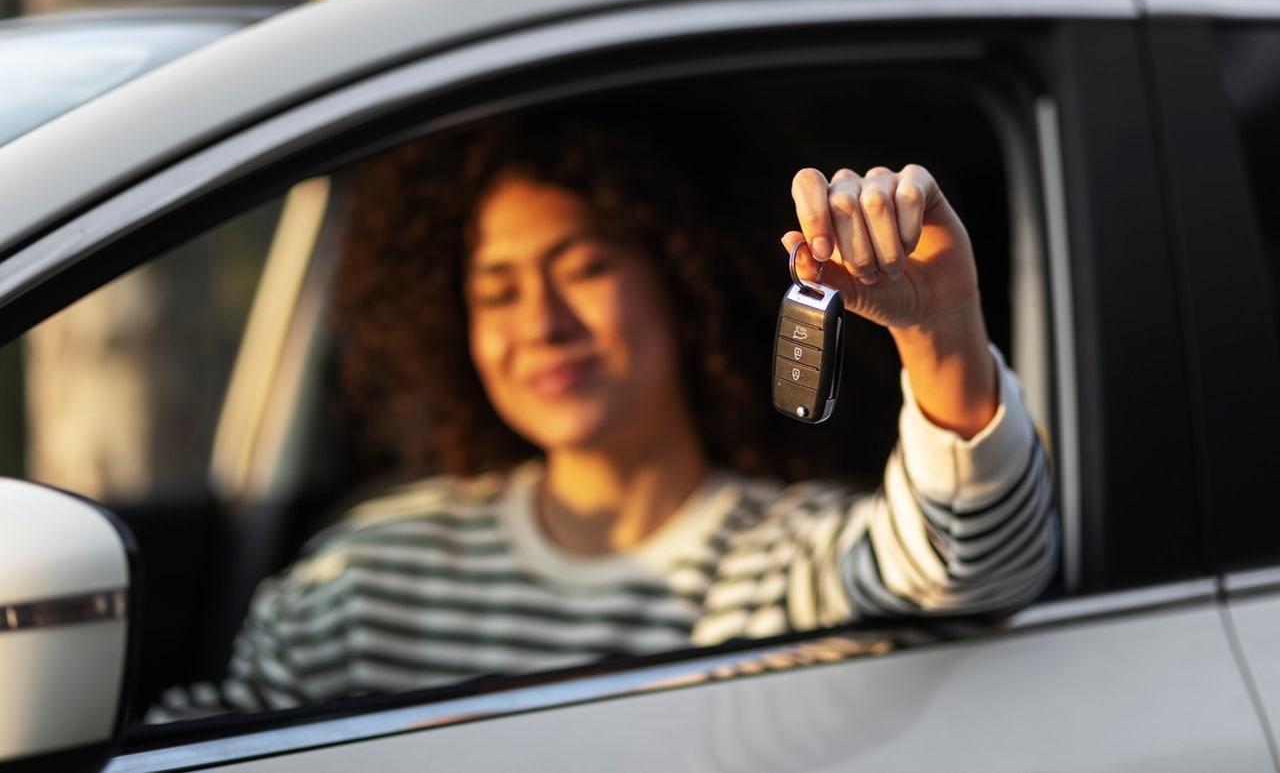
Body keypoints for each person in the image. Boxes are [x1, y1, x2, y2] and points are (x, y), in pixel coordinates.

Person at [148, 114, 1058, 721]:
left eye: (582, 270)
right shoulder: (362, 577)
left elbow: (974, 566)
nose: (540, 323)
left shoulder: (788, 562)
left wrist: (940, 331)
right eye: (497, 291)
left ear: (678, 281)